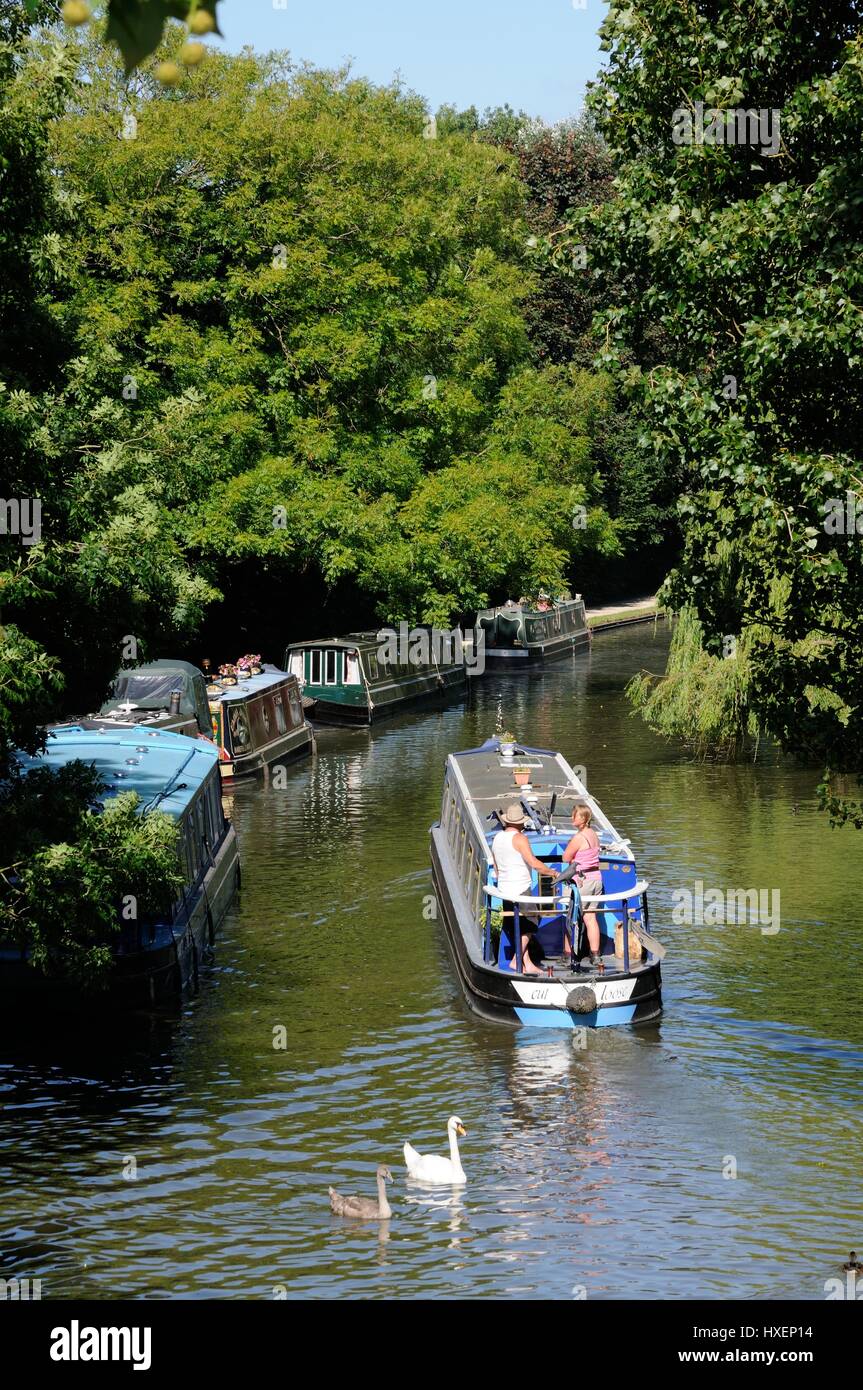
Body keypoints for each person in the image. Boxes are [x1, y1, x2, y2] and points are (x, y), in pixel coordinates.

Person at [492, 804, 558, 975]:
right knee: (531, 923)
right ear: (521, 823)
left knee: (519, 926)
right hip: (520, 889)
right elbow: (534, 863)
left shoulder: (497, 837)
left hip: (504, 889)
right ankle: (516, 960)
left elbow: (496, 866)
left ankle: (527, 964)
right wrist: (553, 873)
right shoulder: (520, 839)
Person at [562, 803, 604, 968]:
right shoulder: (593, 834)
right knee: (590, 917)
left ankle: (568, 955)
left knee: (570, 917)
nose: (572, 817)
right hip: (596, 879)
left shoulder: (579, 838)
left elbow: (566, 858)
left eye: (576, 815)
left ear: (584, 818)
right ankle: (595, 955)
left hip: (582, 880)